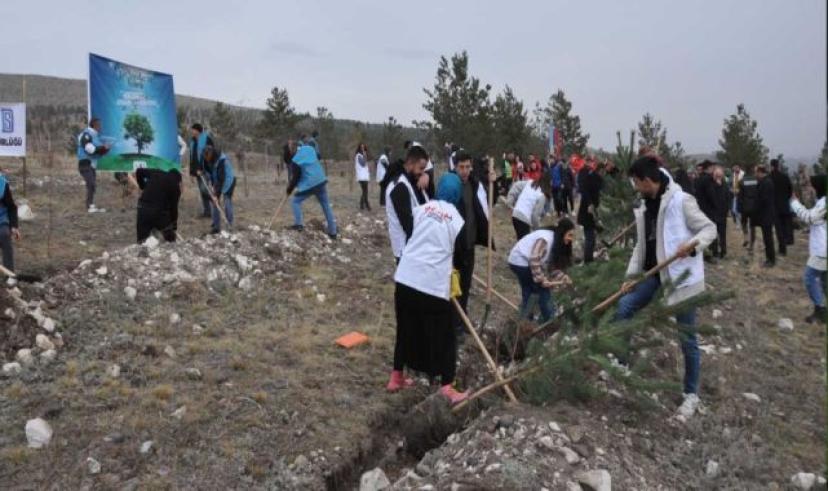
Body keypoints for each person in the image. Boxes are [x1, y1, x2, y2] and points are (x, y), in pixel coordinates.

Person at [615, 155, 717, 422]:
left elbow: (709, 229)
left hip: (681, 277)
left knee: (687, 337)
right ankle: (621, 364)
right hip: (654, 273)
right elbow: (641, 245)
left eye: (636, 182)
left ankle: (691, 394)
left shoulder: (681, 201)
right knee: (624, 306)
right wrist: (631, 275)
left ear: (649, 181)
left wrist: (692, 244)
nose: (635, 187)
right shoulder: (645, 205)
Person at [388, 175, 468, 404]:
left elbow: (414, 235)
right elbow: (461, 256)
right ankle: (447, 387)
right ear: (457, 195)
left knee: (404, 328)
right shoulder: (457, 219)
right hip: (433, 285)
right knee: (447, 335)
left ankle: (396, 377)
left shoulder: (421, 209)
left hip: (405, 278)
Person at [446, 150, 492, 332]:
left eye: (467, 167)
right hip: (454, 245)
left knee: (465, 284)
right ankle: (451, 322)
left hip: (469, 243)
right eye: (461, 167)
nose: (465, 171)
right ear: (455, 167)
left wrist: (491, 181)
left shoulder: (474, 183)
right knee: (452, 286)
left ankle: (461, 321)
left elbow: (486, 203)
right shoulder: (450, 185)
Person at [507, 218, 574, 323]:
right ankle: (549, 320)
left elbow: (551, 267)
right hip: (520, 260)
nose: (571, 239)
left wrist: (563, 277)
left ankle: (524, 320)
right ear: (562, 232)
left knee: (530, 292)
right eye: (570, 235)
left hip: (524, 261)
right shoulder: (546, 239)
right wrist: (541, 280)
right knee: (541, 290)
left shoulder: (555, 242)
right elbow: (534, 259)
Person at [790, 175, 827, 323]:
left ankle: (821, 310)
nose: (810, 188)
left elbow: (809, 217)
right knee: (824, 279)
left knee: (810, 277)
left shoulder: (824, 203)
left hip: (822, 250)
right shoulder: (822, 202)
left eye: (812, 185)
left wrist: (794, 203)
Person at [385, 145, 429, 261]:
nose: (422, 172)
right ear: (410, 163)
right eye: (421, 168)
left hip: (416, 247)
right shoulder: (399, 187)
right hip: (407, 251)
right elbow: (409, 225)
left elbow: (426, 203)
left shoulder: (413, 180)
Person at [287, 141, 337, 239]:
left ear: (292, 150)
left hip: (310, 184)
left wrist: (289, 189)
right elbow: (318, 156)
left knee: (295, 201)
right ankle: (333, 232)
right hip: (321, 180)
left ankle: (298, 224)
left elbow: (295, 178)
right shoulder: (310, 149)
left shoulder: (295, 160)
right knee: (326, 205)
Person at [131, 168, 182, 243]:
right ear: (178, 180)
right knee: (170, 238)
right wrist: (174, 225)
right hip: (159, 213)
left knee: (142, 241)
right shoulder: (175, 186)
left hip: (143, 209)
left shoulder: (157, 172)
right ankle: (172, 246)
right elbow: (173, 209)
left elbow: (139, 171)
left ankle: (141, 251)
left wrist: (142, 186)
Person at [505, 170, 554, 239]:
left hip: (515, 215)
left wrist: (509, 200)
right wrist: (537, 229)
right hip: (524, 219)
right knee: (524, 244)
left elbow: (516, 185)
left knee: (521, 240)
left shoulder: (529, 182)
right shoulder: (541, 196)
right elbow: (535, 215)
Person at [76, 117, 110, 213]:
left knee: (92, 185)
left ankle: (91, 204)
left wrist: (106, 149)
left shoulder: (95, 136)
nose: (100, 127)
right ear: (94, 125)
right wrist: (102, 148)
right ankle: (89, 205)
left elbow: (99, 152)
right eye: (99, 125)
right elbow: (90, 149)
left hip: (92, 165)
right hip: (85, 164)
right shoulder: (86, 135)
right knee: (91, 184)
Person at [203, 145, 236, 234]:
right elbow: (214, 175)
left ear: (210, 154)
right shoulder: (211, 159)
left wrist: (216, 194)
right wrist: (213, 188)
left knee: (226, 201)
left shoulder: (222, 161)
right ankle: (216, 227)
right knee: (215, 202)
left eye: (207, 157)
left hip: (229, 181)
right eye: (205, 158)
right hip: (219, 181)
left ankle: (230, 225)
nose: (206, 160)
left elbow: (221, 179)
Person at [577, 158, 603, 263]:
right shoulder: (588, 175)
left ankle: (590, 258)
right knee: (590, 236)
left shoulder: (594, 176)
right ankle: (588, 261)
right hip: (588, 210)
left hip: (591, 209)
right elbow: (584, 189)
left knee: (591, 236)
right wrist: (590, 204)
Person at [753, 165, 777, 267]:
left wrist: (756, 206)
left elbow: (764, 199)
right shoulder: (764, 182)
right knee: (767, 237)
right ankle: (769, 258)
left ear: (760, 172)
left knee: (768, 238)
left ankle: (770, 260)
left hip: (766, 215)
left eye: (755, 172)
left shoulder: (766, 183)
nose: (755, 174)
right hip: (765, 214)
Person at [189, 123, 214, 218]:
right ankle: (207, 212)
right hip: (196, 171)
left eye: (193, 129)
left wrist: (203, 167)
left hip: (205, 169)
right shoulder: (192, 141)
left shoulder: (207, 139)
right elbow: (192, 157)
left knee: (205, 189)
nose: (192, 131)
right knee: (201, 191)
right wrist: (191, 173)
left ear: (197, 130)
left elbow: (210, 154)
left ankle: (215, 202)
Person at [770, 159, 794, 255]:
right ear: (778, 166)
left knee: (778, 229)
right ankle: (787, 242)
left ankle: (782, 249)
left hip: (775, 207)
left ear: (771, 166)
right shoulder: (785, 177)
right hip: (784, 205)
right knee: (785, 226)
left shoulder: (769, 178)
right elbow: (790, 190)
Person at [0, 170, 21, 271]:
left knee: (4, 234)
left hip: (1, 219)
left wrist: (14, 226)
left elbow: (11, 207)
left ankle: (9, 274)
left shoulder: (2, 184)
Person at [709, 166, 730, 259]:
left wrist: (726, 210)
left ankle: (722, 251)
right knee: (715, 234)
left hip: (720, 213)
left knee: (721, 234)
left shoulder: (723, 185)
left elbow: (728, 197)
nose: (718, 177)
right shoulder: (714, 185)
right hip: (715, 213)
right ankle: (716, 251)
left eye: (719, 175)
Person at [355, 143, 371, 211]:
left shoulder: (362, 155)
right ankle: (367, 205)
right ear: (359, 148)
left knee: (365, 191)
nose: (363, 149)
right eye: (361, 147)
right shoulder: (358, 156)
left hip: (364, 176)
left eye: (364, 147)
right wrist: (365, 155)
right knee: (365, 191)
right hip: (361, 176)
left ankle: (362, 205)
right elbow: (363, 164)